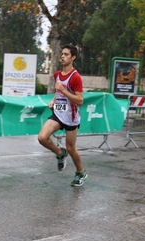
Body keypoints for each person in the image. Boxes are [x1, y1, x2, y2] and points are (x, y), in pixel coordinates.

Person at [37, 44, 88, 187]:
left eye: (66, 54)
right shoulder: (57, 74)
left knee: (71, 148)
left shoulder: (75, 77)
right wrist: (53, 101)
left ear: (73, 58)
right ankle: (60, 153)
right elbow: (58, 92)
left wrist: (64, 91)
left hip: (71, 117)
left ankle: (80, 173)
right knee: (42, 137)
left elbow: (80, 100)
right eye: (62, 54)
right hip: (58, 114)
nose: (63, 57)